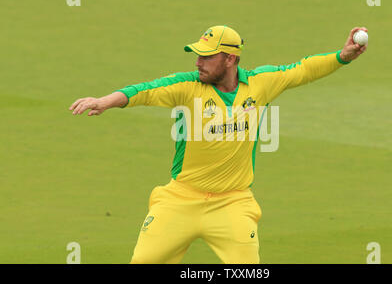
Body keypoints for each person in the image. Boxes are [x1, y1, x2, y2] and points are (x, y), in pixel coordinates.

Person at [69, 25, 368, 264]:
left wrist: (343, 56)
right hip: (180, 199)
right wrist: (105, 101)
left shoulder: (261, 84)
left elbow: (302, 70)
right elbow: (144, 91)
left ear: (230, 59)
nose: (198, 62)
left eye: (207, 56)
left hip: (233, 203)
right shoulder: (188, 86)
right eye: (197, 55)